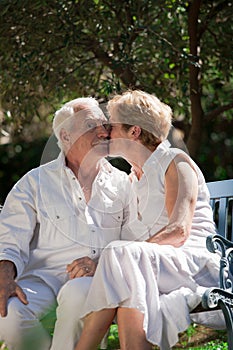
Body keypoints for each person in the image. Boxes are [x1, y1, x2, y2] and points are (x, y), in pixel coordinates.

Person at [74, 90, 224, 350]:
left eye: (112, 125)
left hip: (192, 264)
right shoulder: (132, 180)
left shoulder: (176, 163)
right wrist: (99, 261)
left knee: (126, 264)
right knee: (129, 279)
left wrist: (118, 256)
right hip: (148, 266)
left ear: (134, 132)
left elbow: (178, 231)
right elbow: (127, 247)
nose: (105, 131)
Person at [0, 96, 148, 350]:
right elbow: (10, 238)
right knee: (7, 314)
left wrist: (101, 264)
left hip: (94, 280)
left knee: (79, 295)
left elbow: (133, 241)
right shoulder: (34, 183)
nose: (104, 132)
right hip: (41, 282)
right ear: (66, 137)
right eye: (92, 126)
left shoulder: (123, 184)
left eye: (105, 125)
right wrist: (4, 276)